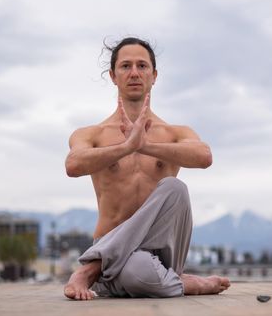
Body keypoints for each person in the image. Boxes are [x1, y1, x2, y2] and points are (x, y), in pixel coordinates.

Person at [64, 37, 230, 300]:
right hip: (116, 265)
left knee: (174, 188)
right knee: (136, 272)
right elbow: (73, 164)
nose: (134, 73)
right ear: (112, 75)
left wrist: (145, 145)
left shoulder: (175, 132)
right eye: (125, 66)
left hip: (161, 256)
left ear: (154, 76)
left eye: (142, 66)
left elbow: (204, 156)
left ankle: (89, 269)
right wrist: (126, 147)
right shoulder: (91, 134)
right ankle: (183, 283)